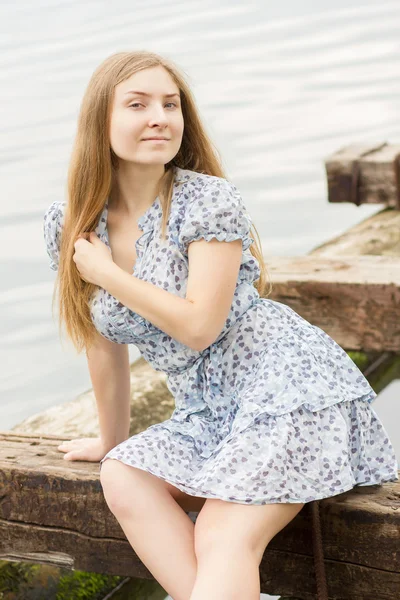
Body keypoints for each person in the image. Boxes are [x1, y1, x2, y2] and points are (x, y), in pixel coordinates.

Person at [43, 50, 399, 600]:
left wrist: (108, 275)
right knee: (123, 474)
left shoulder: (207, 201)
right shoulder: (71, 221)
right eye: (137, 104)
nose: (159, 116)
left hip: (289, 388)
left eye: (170, 104)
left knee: (220, 533)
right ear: (99, 121)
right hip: (208, 412)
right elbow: (99, 339)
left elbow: (199, 328)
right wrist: (111, 439)